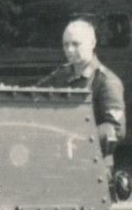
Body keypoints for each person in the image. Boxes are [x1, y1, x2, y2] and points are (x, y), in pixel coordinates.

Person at [38, 17, 127, 158]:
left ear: (92, 43)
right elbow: (35, 95)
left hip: (92, 161)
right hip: (58, 157)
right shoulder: (60, 75)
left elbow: (115, 129)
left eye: (75, 44)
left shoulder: (106, 81)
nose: (69, 50)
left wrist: (79, 140)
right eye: (65, 44)